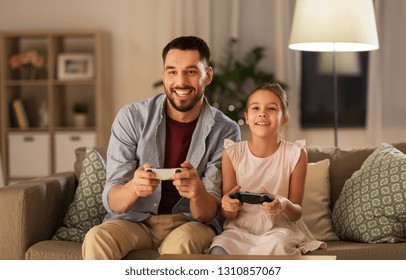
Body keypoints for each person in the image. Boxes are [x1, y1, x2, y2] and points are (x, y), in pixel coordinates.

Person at [82, 36, 241, 259]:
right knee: (97, 237)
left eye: (191, 71)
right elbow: (113, 200)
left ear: (208, 76)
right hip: (134, 221)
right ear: (163, 74)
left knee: (184, 243)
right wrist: (133, 188)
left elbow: (208, 213)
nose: (181, 82)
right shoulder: (131, 117)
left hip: (189, 222)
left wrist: (197, 193)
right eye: (172, 71)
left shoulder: (226, 130)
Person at [209, 83, 325, 255]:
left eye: (271, 108)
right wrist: (228, 205)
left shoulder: (296, 154)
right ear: (247, 117)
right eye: (256, 108)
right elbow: (229, 213)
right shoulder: (232, 153)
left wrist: (284, 205)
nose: (262, 113)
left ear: (284, 118)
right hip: (239, 230)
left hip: (279, 229)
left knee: (278, 244)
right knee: (219, 249)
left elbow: (296, 213)